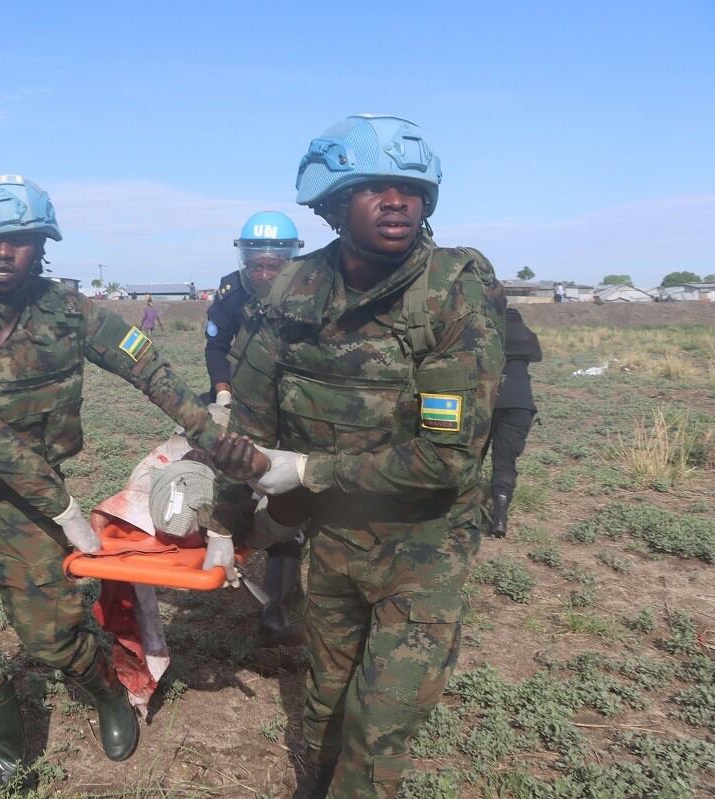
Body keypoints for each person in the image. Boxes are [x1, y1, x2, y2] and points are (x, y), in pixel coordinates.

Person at [208, 115, 506, 799]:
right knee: (326, 695)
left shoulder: (450, 290)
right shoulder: (294, 290)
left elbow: (446, 459)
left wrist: (309, 471)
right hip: (335, 537)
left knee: (380, 722)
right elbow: (250, 424)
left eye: (410, 189)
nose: (397, 201)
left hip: (424, 545)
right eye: (374, 188)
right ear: (335, 203)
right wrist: (228, 523)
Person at [0, 175, 222, 799]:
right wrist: (64, 507)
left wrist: (207, 429)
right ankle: (8, 764)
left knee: (52, 637)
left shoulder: (71, 312)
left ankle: (107, 693)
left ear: (43, 245)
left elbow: (143, 362)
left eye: (20, 239)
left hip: (26, 508)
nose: (5, 252)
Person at [205, 211, 306, 646]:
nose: (264, 272)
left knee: (289, 494)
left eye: (273, 265)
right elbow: (215, 346)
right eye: (256, 264)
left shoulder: (310, 290)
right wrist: (222, 391)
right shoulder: (231, 292)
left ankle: (279, 607)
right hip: (243, 399)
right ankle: (226, 538)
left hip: (294, 401)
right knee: (236, 476)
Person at [489, 307, 541, 536]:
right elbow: (537, 357)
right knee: (505, 462)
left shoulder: (488, 334)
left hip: (487, 401)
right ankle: (500, 517)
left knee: (471, 458)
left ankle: (463, 510)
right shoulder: (528, 337)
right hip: (521, 405)